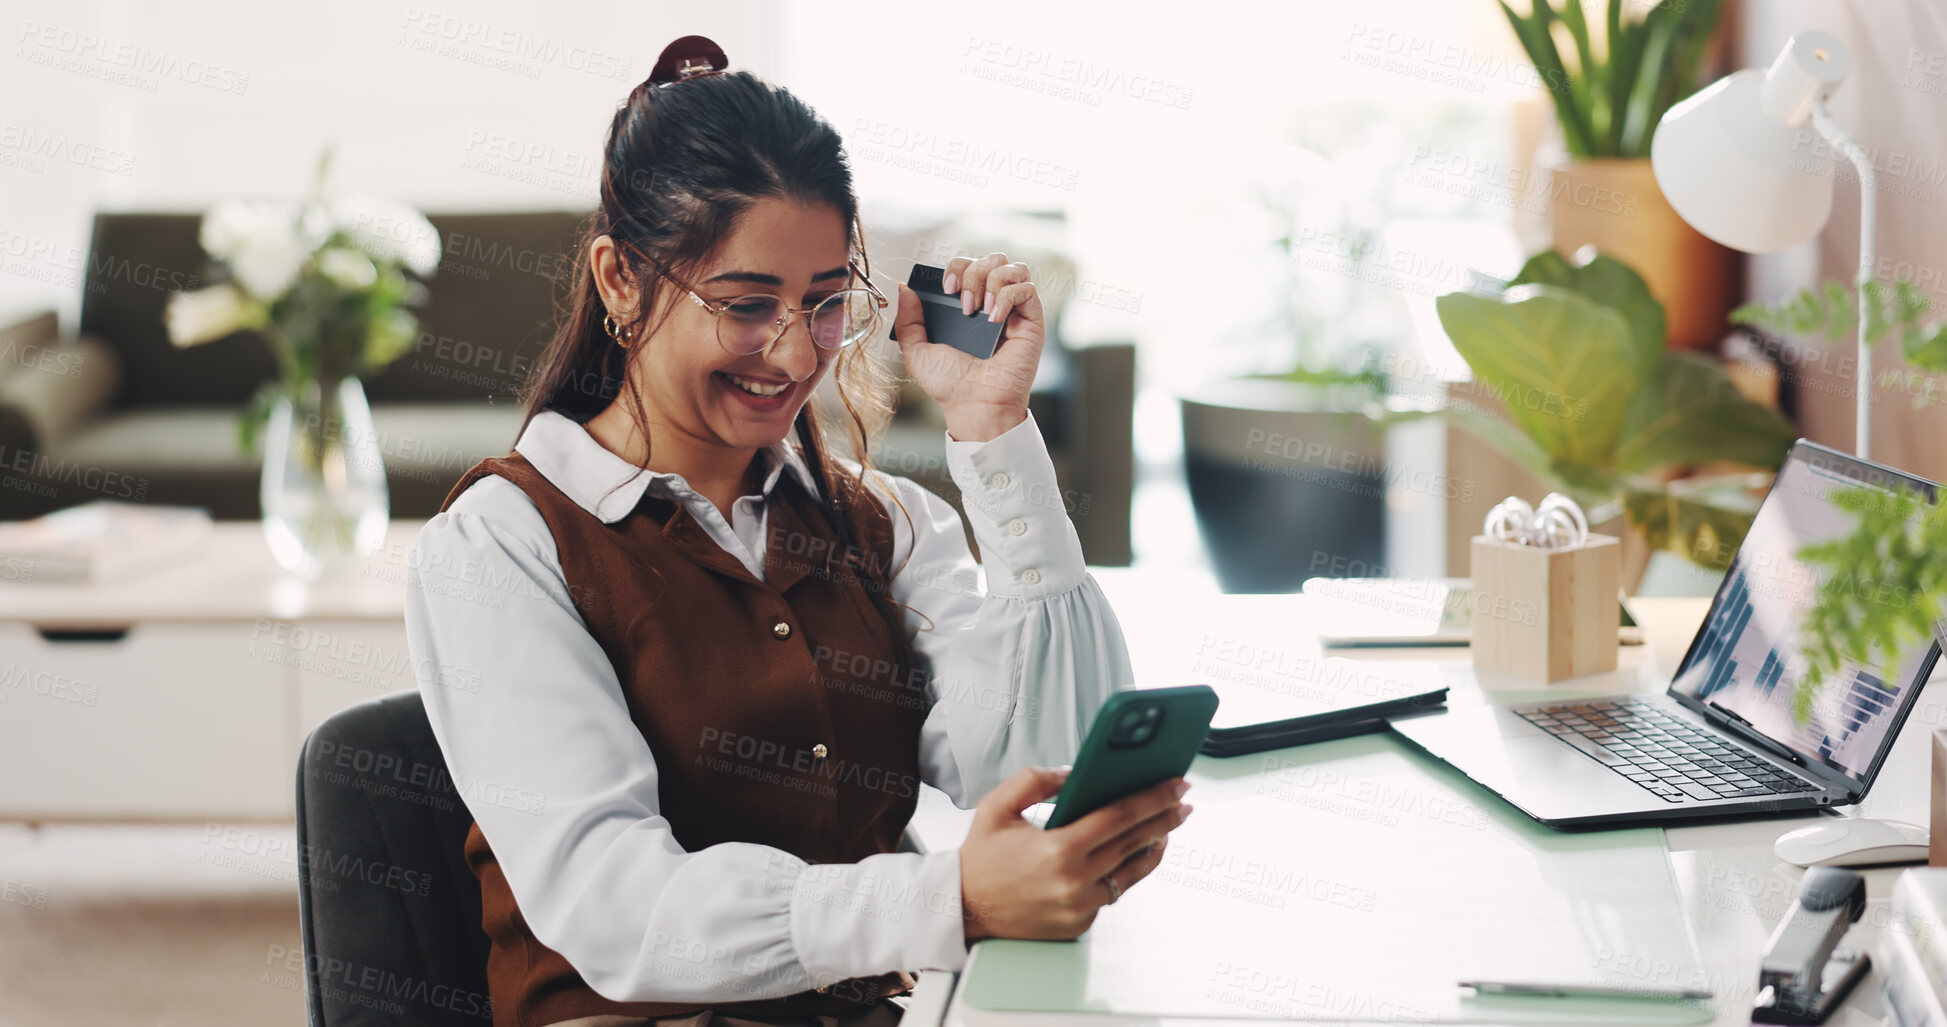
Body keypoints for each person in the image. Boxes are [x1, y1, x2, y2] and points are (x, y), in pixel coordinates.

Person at [402, 35, 1193, 1027]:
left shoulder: (886, 520)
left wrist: (993, 428)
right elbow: (614, 905)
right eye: (745, 304)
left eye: (826, 303)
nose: (790, 352)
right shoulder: (501, 548)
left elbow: (1049, 761)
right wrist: (941, 899)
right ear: (617, 279)